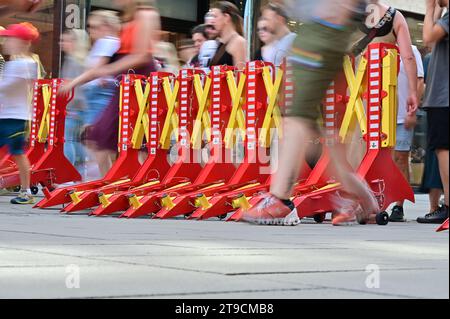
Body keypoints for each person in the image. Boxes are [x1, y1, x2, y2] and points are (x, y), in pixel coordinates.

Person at [240, 0, 381, 226]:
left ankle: (280, 200)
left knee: (297, 115)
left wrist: (338, 13)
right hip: (320, 29)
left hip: (324, 28)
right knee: (318, 128)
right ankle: (360, 196)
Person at [60, 0, 160, 177]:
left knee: (140, 139)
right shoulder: (128, 19)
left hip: (141, 82)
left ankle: (139, 181)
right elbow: (99, 67)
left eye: (94, 27)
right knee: (101, 135)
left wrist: (107, 70)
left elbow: (142, 55)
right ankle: (111, 182)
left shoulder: (146, 14)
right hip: (124, 83)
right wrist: (73, 83)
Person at [417, 0, 449, 224]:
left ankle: (448, 207)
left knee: (444, 149)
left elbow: (427, 37)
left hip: (444, 97)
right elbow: (432, 44)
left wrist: (429, 9)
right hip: (443, 97)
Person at [0, 23, 38, 204]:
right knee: (16, 153)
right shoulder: (14, 63)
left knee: (18, 153)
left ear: (22, 42)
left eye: (10, 38)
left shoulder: (26, 64)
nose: (6, 42)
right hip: (5, 115)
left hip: (17, 117)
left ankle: (26, 192)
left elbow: (5, 88)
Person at [389, 45, 425, 222]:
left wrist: (412, 111)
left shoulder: (411, 50)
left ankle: (398, 205)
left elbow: (420, 81)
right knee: (381, 159)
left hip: (402, 116)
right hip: (381, 117)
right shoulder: (377, 49)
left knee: (400, 158)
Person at [60, 29, 90, 174]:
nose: (62, 43)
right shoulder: (84, 60)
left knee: (68, 140)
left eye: (65, 40)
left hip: (73, 106)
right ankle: (81, 172)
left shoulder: (71, 61)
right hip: (84, 107)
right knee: (78, 141)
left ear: (74, 43)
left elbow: (70, 86)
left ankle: (69, 173)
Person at [208, 1, 247, 69]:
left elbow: (241, 75)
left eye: (215, 16)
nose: (211, 21)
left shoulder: (239, 42)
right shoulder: (220, 42)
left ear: (226, 17)